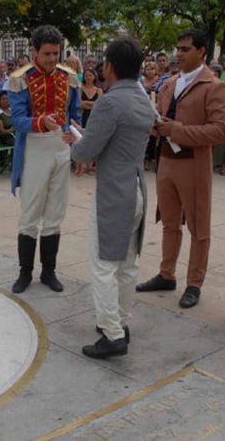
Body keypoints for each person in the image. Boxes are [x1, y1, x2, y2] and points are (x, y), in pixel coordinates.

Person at [65, 37, 154, 359]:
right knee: (128, 264)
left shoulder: (110, 101)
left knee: (103, 264)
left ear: (110, 67)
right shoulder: (144, 100)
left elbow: (86, 152)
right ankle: (122, 323)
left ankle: (112, 332)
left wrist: (74, 143)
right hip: (137, 187)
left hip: (114, 193)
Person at [136, 29, 225, 309]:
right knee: (169, 223)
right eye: (177, 48)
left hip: (193, 163)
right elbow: (165, 120)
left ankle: (194, 282)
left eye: (185, 49)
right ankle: (167, 274)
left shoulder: (214, 86)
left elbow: (221, 130)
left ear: (202, 51)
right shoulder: (169, 84)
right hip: (166, 160)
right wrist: (157, 127)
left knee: (199, 227)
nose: (179, 54)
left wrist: (175, 130)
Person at [8, 25, 81, 294]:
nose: (52, 59)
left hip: (61, 146)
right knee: (30, 213)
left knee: (55, 213)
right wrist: (39, 121)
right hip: (34, 148)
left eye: (56, 53)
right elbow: (16, 119)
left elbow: (75, 114)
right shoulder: (20, 79)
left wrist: (75, 132)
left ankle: (49, 271)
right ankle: (24, 272)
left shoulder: (70, 76)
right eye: (47, 53)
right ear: (34, 51)